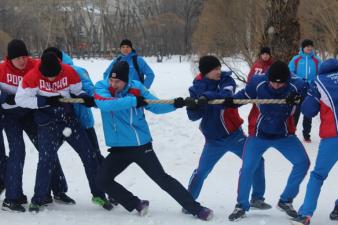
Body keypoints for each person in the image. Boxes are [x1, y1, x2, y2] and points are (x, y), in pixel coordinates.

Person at [94, 61, 213, 221]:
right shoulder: (102, 87)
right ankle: (136, 203)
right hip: (118, 149)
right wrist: (133, 101)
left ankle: (197, 209)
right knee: (102, 180)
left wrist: (175, 104)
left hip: (140, 146)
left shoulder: (137, 88)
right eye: (111, 80)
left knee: (162, 179)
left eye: (117, 81)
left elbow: (156, 106)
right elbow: (105, 105)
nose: (113, 84)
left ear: (126, 81)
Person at [15, 52, 110, 212]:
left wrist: (84, 97)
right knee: (46, 159)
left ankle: (98, 194)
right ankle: (38, 199)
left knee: (89, 155)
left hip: (68, 120)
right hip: (46, 122)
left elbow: (77, 91)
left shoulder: (69, 72)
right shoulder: (32, 76)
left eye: (54, 76)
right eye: (48, 77)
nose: (51, 80)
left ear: (60, 69)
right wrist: (43, 101)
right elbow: (20, 99)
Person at [226, 61, 310, 221]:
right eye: (273, 83)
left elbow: (311, 94)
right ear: (268, 78)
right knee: (247, 168)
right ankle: (241, 205)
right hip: (258, 135)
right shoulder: (258, 83)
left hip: (284, 135)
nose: (277, 86)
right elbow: (243, 95)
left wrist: (301, 98)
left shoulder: (297, 85)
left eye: (281, 83)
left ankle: (286, 200)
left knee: (302, 163)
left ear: (288, 80)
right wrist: (232, 101)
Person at [184, 55, 270, 210]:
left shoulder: (226, 80)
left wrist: (206, 98)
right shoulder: (196, 88)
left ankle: (257, 198)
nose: (218, 71)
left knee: (258, 160)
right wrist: (193, 106)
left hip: (234, 135)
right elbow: (193, 117)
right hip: (213, 141)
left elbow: (225, 100)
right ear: (205, 72)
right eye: (214, 69)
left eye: (218, 68)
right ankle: (188, 202)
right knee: (202, 171)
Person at [0, 40, 73, 212]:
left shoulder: (36, 65)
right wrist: (4, 97)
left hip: (31, 114)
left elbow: (60, 67)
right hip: (11, 117)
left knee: (46, 148)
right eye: (17, 58)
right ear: (9, 59)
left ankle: (58, 190)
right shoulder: (2, 70)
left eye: (24, 56)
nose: (22, 61)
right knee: (18, 151)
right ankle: (12, 198)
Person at [291, 59, 338, 225]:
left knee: (318, 175)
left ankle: (305, 213)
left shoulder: (319, 81)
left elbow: (309, 111)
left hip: (333, 137)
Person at [288, 39, 322, 143]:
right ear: (303, 48)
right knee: (296, 112)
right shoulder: (296, 59)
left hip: (311, 89)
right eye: (307, 46)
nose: (309, 48)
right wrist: (298, 80)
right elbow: (290, 72)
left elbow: (321, 72)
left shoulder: (316, 60)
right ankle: (291, 133)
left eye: (311, 46)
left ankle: (306, 135)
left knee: (308, 111)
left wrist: (314, 81)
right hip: (298, 89)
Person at [247, 47, 273, 136]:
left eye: (267, 54)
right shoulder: (256, 65)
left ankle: (268, 132)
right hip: (257, 94)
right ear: (261, 55)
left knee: (269, 113)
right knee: (255, 113)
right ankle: (252, 132)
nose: (265, 56)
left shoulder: (272, 66)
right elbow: (250, 78)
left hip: (269, 94)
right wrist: (250, 89)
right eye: (263, 54)